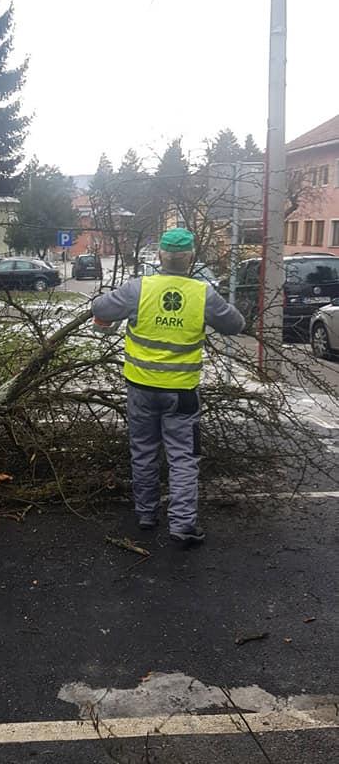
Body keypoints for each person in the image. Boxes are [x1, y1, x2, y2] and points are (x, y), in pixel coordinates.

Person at [92, 228, 245, 545]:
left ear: (160, 256)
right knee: (183, 458)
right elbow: (236, 325)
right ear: (190, 259)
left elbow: (101, 310)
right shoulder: (203, 294)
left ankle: (147, 514)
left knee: (144, 452)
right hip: (182, 394)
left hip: (141, 389)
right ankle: (183, 526)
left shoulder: (139, 289)